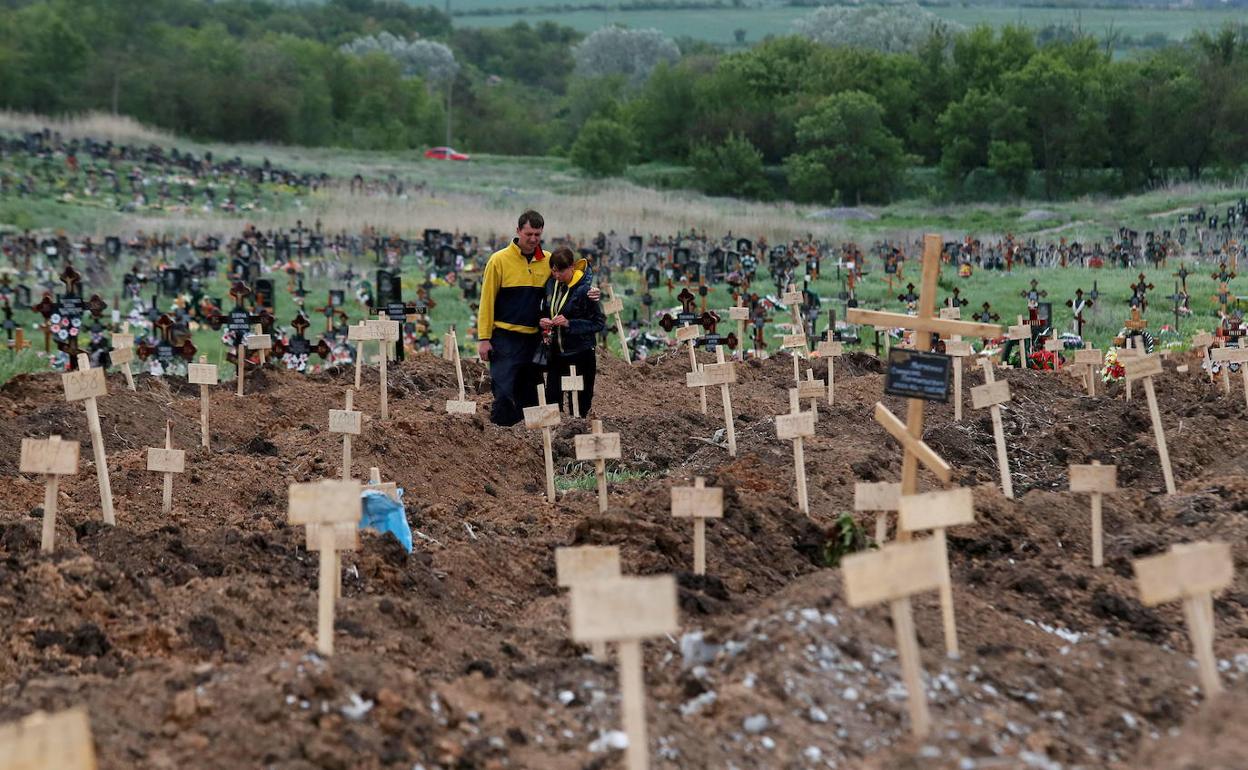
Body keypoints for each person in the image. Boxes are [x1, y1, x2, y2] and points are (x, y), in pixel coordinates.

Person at [477, 210, 599, 426]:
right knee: (504, 393)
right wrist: (484, 338)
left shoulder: (549, 261)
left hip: (536, 340)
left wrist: (592, 291)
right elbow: (486, 302)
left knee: (533, 396)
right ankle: (501, 441)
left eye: (538, 235)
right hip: (505, 338)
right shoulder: (499, 261)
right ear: (518, 231)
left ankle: (531, 445)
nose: (533, 239)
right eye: (529, 234)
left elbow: (574, 277)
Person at [540, 247, 605, 415]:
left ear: (571, 267)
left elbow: (598, 323)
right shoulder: (551, 285)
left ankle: (579, 436)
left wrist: (570, 324)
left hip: (580, 354)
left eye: (560, 271)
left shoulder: (585, 291)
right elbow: (546, 309)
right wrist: (543, 321)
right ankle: (556, 438)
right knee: (552, 400)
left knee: (580, 406)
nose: (556, 275)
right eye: (553, 271)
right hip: (556, 354)